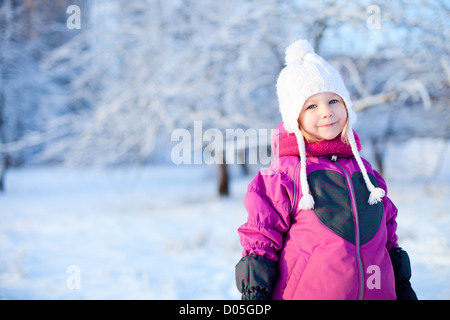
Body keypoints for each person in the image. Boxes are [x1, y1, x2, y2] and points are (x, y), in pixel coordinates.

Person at [235, 39, 417, 300]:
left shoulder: (365, 173)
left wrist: (402, 284)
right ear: (294, 117)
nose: (326, 112)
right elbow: (261, 237)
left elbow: (387, 236)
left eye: (333, 100)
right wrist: (255, 292)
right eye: (311, 106)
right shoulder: (284, 175)